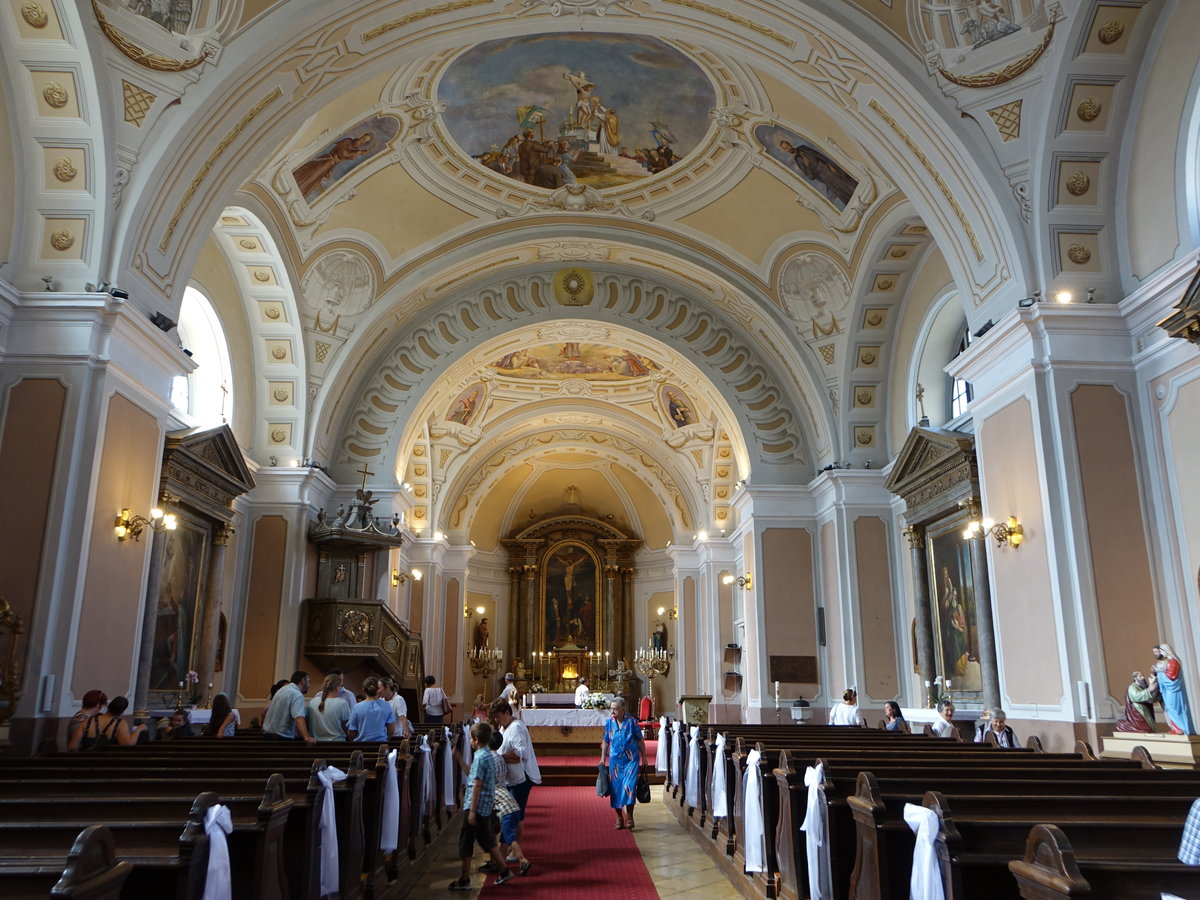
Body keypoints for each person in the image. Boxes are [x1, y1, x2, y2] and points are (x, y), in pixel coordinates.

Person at [448, 721, 513, 890]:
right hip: (486, 806)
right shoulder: (487, 755)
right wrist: (459, 758)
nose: (469, 741)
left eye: (470, 738)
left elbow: (476, 783)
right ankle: (505, 871)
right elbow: (472, 774)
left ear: (476, 739)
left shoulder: (480, 757)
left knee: (466, 842)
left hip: (476, 807)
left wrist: (472, 811)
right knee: (488, 841)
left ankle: (464, 879)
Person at [490, 699, 542, 846]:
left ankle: (513, 849)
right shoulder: (503, 727)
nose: (496, 720)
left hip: (522, 777)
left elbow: (520, 754)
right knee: (515, 813)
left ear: (507, 713)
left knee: (515, 814)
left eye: (498, 716)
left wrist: (498, 757)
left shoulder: (516, 727)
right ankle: (511, 849)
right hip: (511, 777)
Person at [481, 729, 532, 877]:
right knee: (502, 834)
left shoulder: (488, 759)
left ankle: (522, 860)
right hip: (506, 797)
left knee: (504, 834)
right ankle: (496, 861)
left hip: (497, 800)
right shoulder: (501, 758)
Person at [602, 695, 647, 830]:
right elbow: (606, 741)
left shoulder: (632, 722)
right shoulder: (609, 722)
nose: (613, 712)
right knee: (616, 789)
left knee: (630, 787)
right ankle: (619, 817)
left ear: (622, 709)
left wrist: (644, 756)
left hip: (631, 760)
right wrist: (602, 758)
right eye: (612, 709)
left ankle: (630, 815)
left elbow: (639, 740)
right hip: (615, 760)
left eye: (615, 709)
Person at [263, 670, 316, 744]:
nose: (309, 685)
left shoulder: (282, 690)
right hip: (281, 738)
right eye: (309, 681)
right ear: (303, 681)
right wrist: (307, 737)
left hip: (267, 736)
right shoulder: (296, 694)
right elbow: (299, 717)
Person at [1153, 643, 1195, 735]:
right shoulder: (1169, 662)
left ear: (1166, 651)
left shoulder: (1173, 662)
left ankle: (1181, 728)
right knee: (1170, 708)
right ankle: (1176, 728)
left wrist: (1159, 672)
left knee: (1175, 709)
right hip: (1168, 690)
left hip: (1173, 690)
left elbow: (1172, 676)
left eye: (1161, 651)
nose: (1160, 653)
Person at [80, 695, 148, 747]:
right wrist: (138, 730)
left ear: (109, 706)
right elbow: (127, 744)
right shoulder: (120, 724)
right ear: (122, 711)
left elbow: (72, 747)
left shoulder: (87, 721)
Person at [346, 675, 396, 742]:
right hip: (380, 746)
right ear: (377, 689)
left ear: (363, 690)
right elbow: (391, 730)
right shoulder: (386, 705)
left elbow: (351, 732)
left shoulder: (357, 707)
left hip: (361, 746)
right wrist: (386, 739)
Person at [308, 672, 351, 741]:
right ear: (336, 687)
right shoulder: (342, 703)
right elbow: (346, 726)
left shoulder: (312, 702)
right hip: (337, 743)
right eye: (340, 686)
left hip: (316, 744)